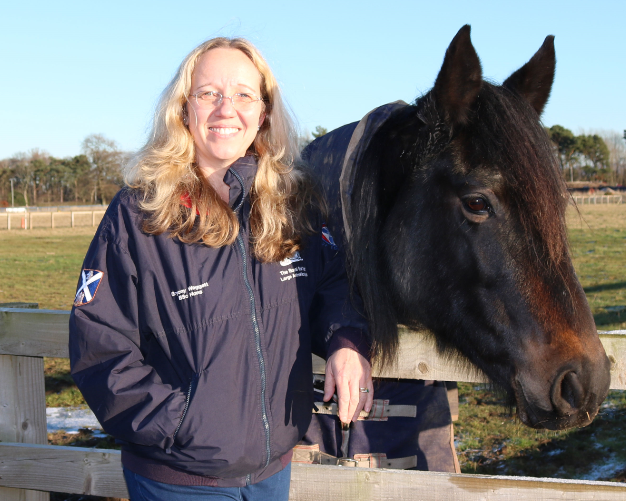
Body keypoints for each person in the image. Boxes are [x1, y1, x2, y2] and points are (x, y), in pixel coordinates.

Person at [69, 37, 373, 501]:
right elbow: (100, 346)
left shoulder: (293, 203)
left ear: (264, 112)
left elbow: (335, 284)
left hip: (273, 472)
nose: (226, 108)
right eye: (209, 93)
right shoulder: (139, 214)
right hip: (178, 479)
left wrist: (346, 342)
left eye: (244, 95)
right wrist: (179, 424)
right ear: (183, 108)